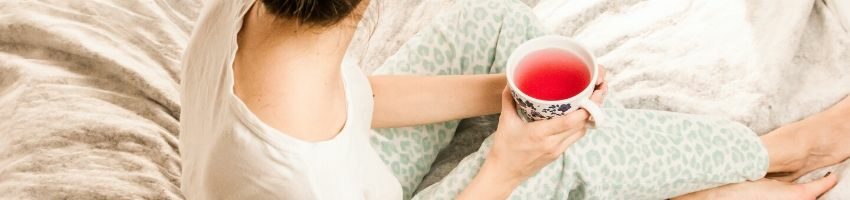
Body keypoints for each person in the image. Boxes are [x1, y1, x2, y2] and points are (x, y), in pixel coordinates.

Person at [179, 0, 850, 199]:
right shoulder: (304, 182)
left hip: (354, 171)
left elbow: (355, 98)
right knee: (561, 155)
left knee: (495, 28)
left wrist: (505, 93)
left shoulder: (255, 18)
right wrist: (507, 163)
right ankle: (770, 154)